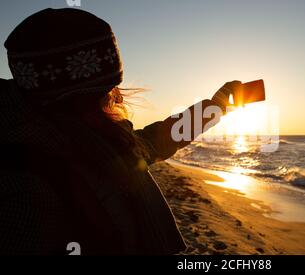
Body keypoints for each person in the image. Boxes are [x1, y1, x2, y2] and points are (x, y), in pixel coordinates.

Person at [0, 8, 241, 255]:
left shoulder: (95, 140)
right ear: (82, 95)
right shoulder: (26, 182)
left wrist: (216, 106)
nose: (117, 99)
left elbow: (154, 141)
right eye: (110, 90)